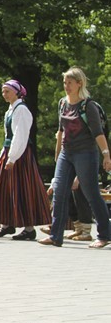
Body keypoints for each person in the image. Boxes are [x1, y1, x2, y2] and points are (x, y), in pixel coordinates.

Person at [39, 67, 111, 248]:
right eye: (65, 82)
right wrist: (58, 155)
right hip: (66, 153)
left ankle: (104, 235)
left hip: (85, 153)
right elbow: (60, 131)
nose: (66, 86)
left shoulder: (88, 106)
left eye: (70, 83)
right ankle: (56, 236)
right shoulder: (62, 103)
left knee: (91, 194)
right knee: (59, 193)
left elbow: (98, 133)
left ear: (79, 84)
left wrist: (106, 155)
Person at [0, 80, 51, 240]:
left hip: (19, 155)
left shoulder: (21, 110)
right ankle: (6, 225)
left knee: (22, 189)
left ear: (16, 92)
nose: (4, 94)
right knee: (1, 188)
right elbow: (9, 136)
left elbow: (20, 135)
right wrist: (4, 154)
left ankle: (29, 228)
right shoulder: (10, 110)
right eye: (3, 91)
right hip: (10, 151)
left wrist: (12, 157)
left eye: (7, 91)